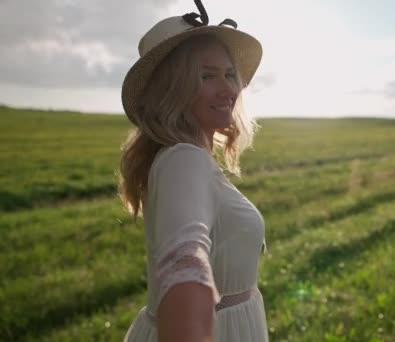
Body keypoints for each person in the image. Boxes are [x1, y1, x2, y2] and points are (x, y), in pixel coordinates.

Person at [118, 0, 268, 341]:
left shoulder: (182, 157)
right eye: (207, 76)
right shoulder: (184, 159)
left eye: (230, 74)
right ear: (173, 89)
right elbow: (185, 259)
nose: (228, 89)